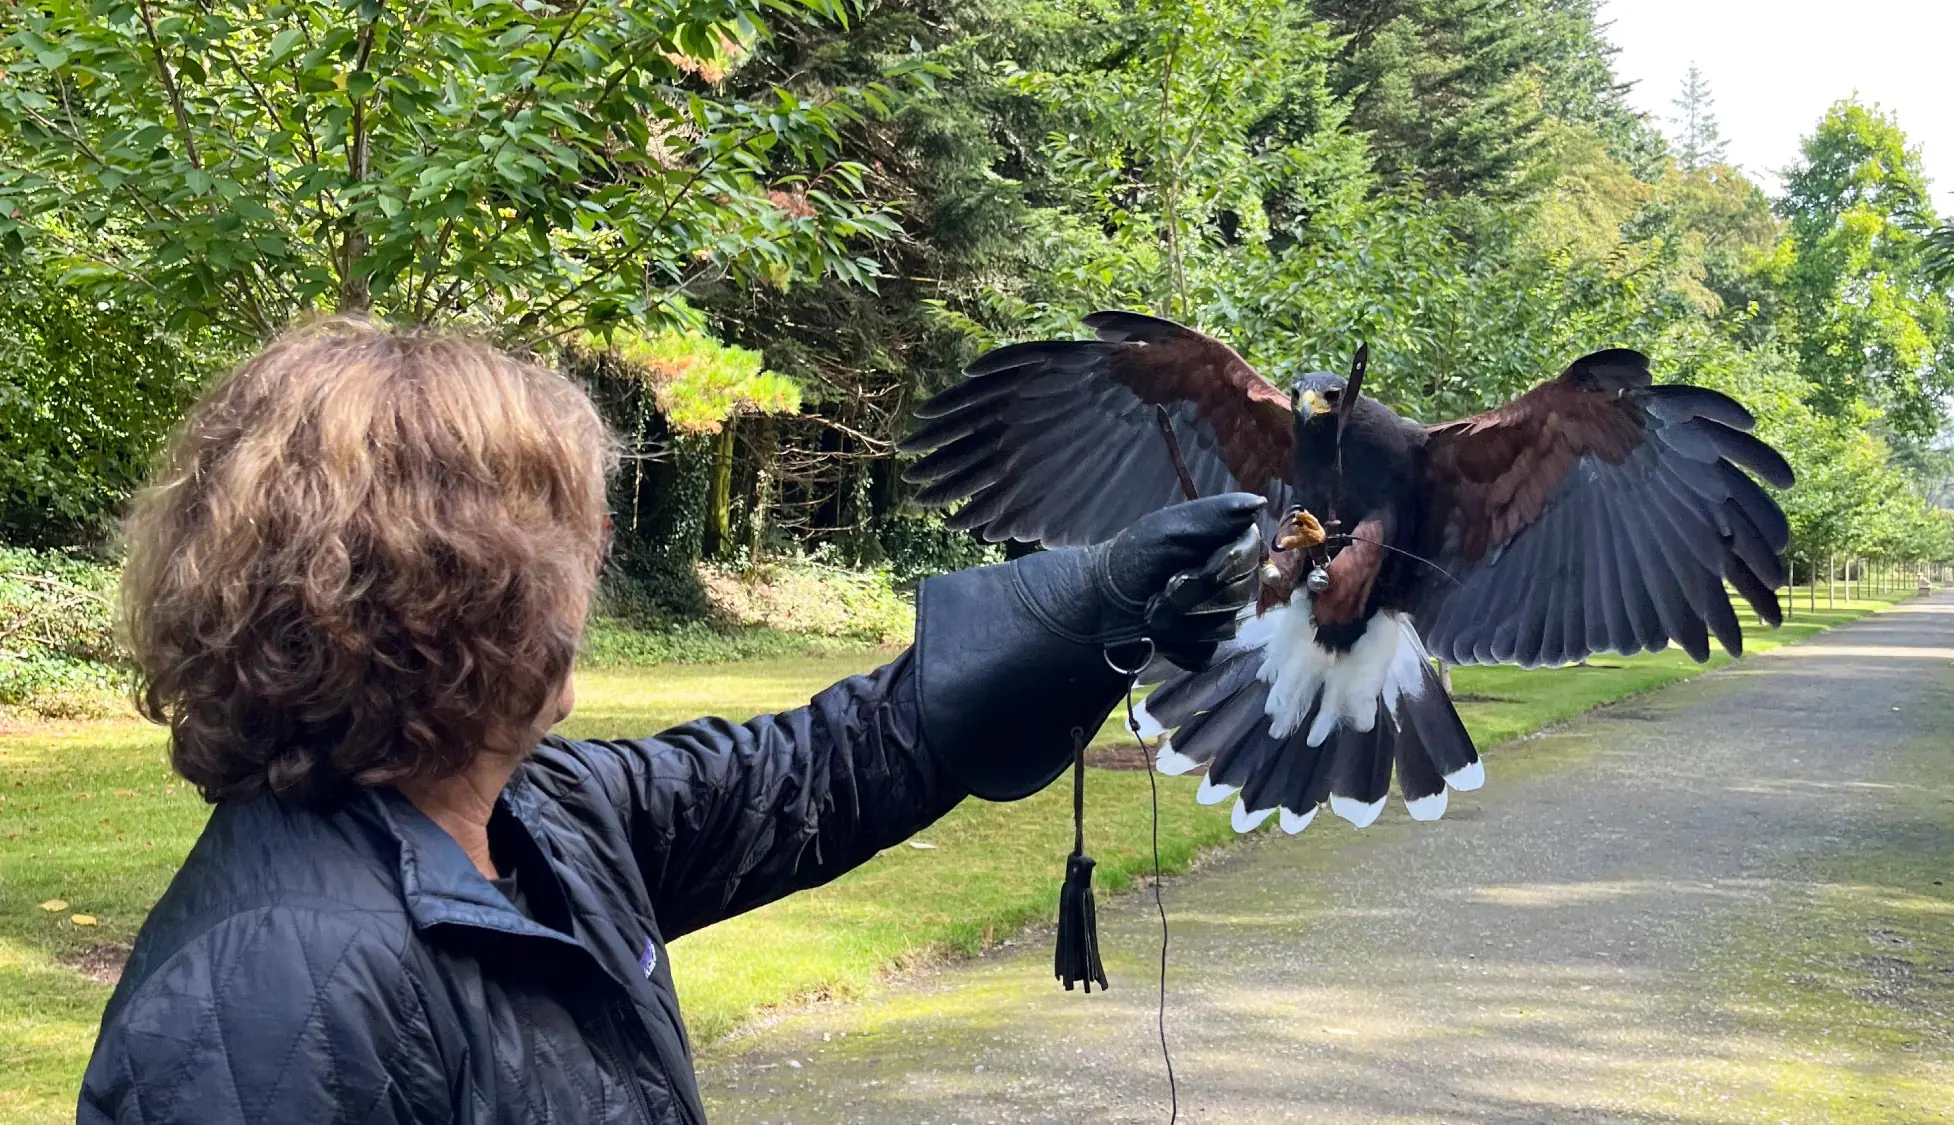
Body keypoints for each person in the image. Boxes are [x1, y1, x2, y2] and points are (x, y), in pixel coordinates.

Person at [77, 319, 1264, 1125]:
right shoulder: (274, 996)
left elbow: (831, 769)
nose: (588, 571)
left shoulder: (538, 815)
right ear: (467, 588)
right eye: (567, 540)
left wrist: (1099, 602)